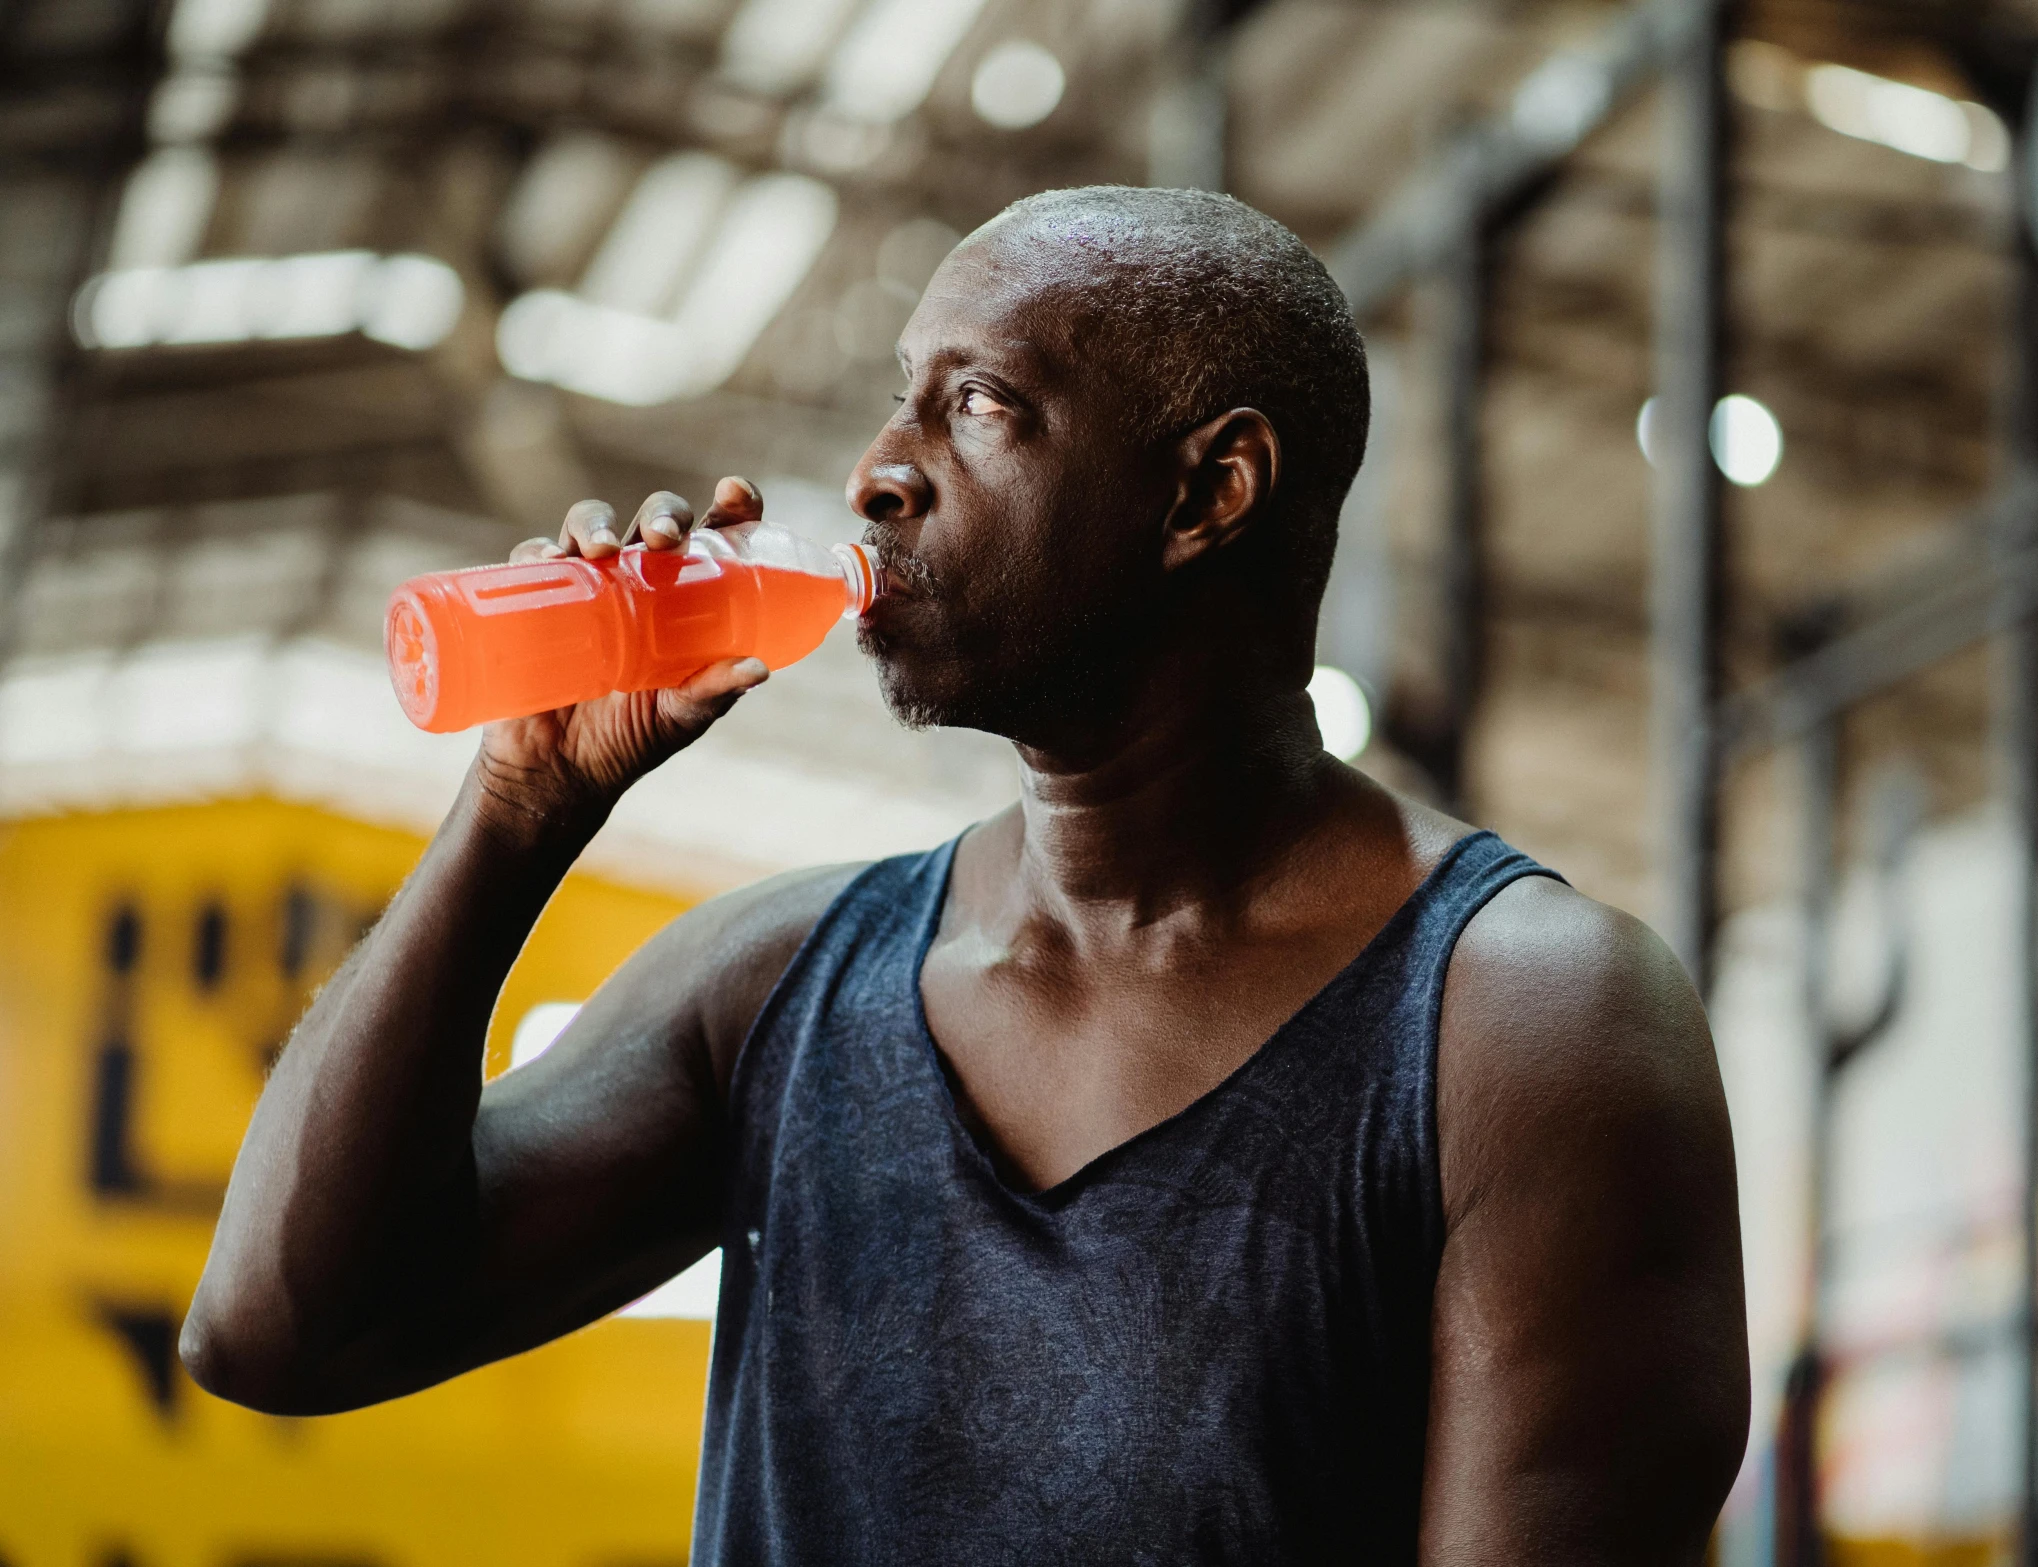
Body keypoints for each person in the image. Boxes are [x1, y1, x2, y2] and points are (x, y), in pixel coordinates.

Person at [184, 186, 1748, 1564]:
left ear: (1210, 493)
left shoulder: (1523, 1027)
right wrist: (518, 811)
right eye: (897, 398)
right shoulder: (776, 984)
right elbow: (281, 1327)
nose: (878, 469)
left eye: (980, 403)